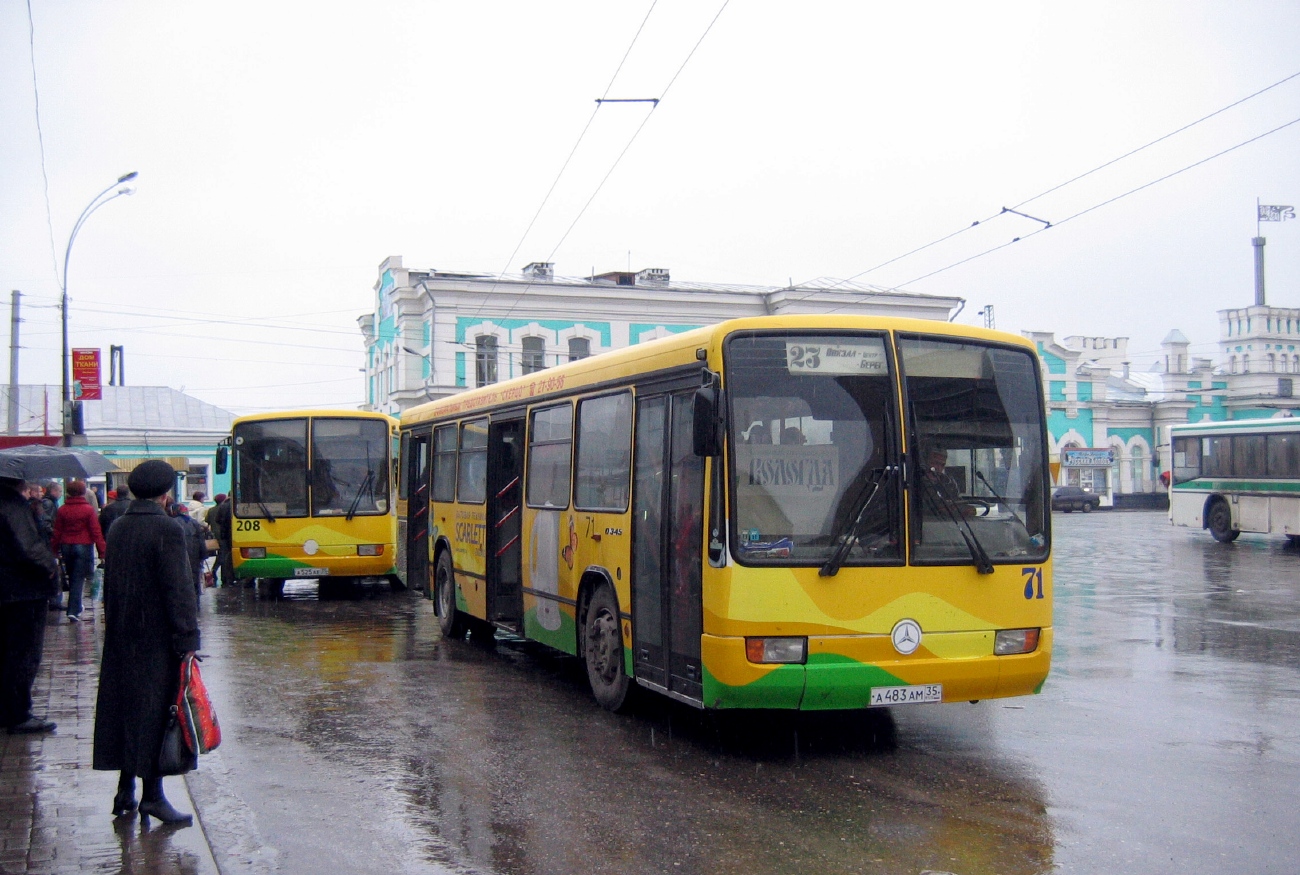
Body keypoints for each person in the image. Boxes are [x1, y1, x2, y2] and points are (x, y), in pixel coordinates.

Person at [93, 460, 199, 825]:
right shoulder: (166, 529)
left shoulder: (120, 525)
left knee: (126, 709)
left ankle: (125, 789)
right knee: (155, 713)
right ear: (165, 492)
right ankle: (153, 796)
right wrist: (187, 639)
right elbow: (179, 589)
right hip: (157, 638)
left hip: (124, 634)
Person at [0, 476, 60, 734]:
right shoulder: (13, 506)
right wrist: (49, 565)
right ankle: (18, 713)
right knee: (22, 654)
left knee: (6, 653)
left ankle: (7, 711)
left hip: (7, 589)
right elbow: (28, 547)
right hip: (22, 591)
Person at [50, 480, 107, 621]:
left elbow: (57, 531)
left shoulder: (62, 509)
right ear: (83, 492)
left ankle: (74, 606)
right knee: (78, 578)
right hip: (83, 545)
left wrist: (54, 550)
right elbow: (96, 531)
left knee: (71, 575)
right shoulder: (88, 510)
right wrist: (102, 551)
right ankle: (73, 609)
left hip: (66, 545)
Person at [169, 500, 206, 602]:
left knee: (180, 577)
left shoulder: (172, 522)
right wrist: (203, 555)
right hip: (195, 554)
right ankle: (195, 600)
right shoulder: (194, 522)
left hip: (179, 555)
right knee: (195, 577)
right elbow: (201, 541)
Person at [208, 493, 233, 587]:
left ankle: (225, 578)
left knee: (224, 556)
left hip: (223, 535)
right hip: (233, 535)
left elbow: (216, 520)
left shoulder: (221, 507)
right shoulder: (235, 505)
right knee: (227, 556)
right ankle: (231, 578)